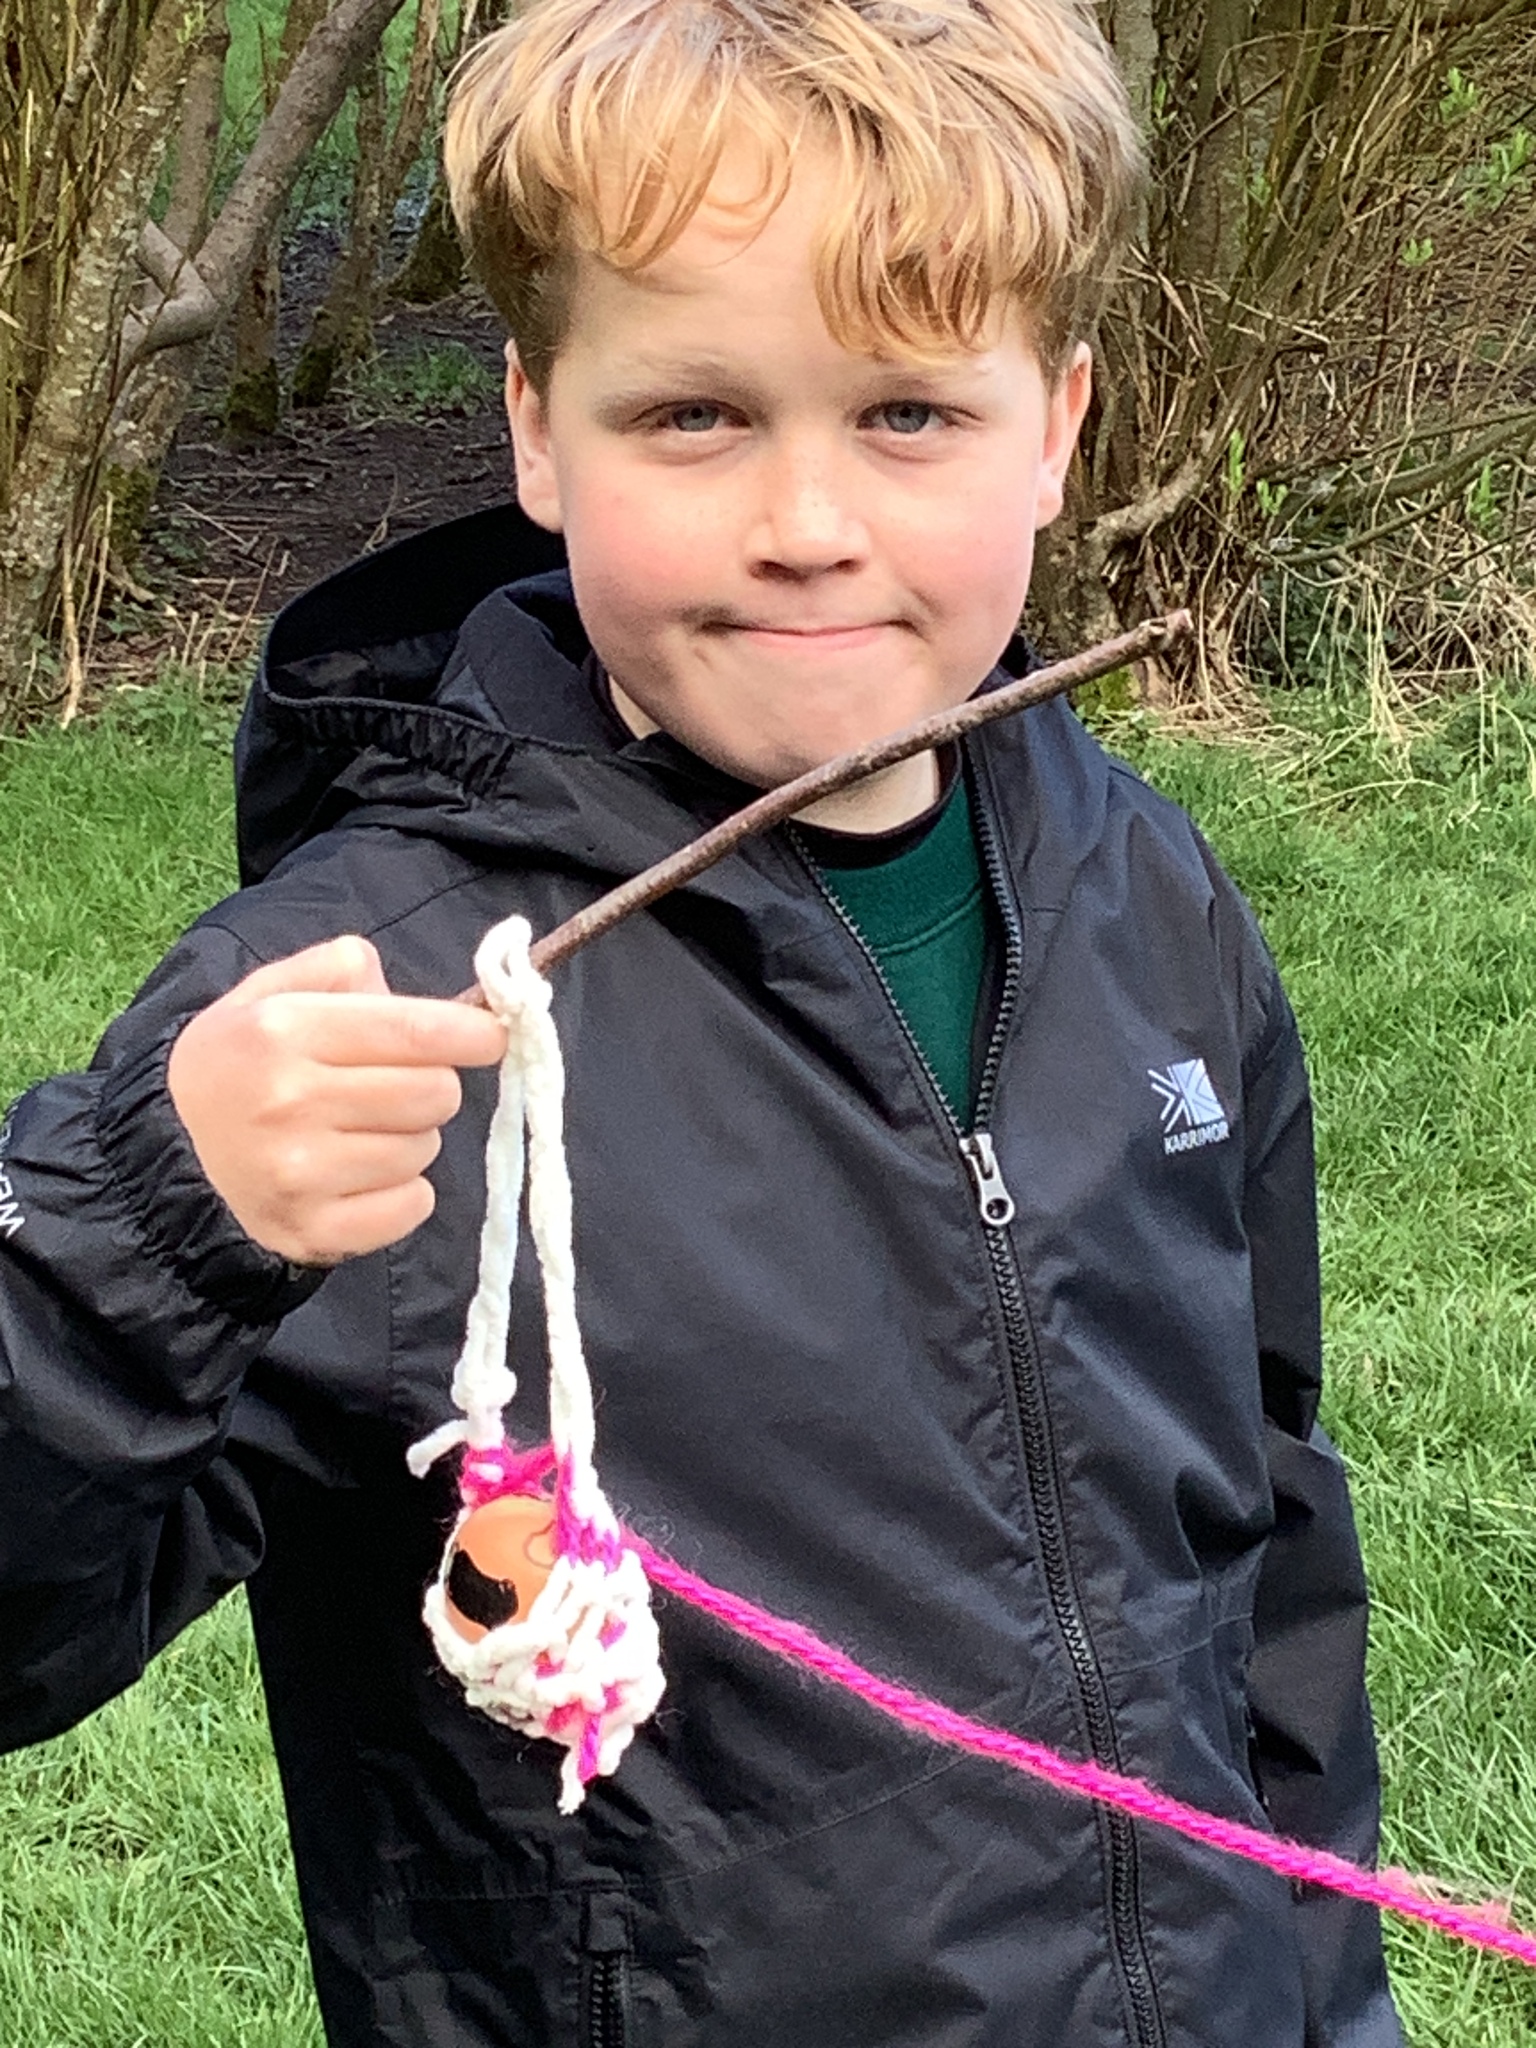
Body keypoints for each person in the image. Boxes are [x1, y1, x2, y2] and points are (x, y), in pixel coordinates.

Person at [0, 2, 1404, 2043]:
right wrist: (139, 1232)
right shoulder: (367, 1014)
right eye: (694, 416)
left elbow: (1265, 1532)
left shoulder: (1153, 903)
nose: (808, 522)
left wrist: (1324, 2001)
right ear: (535, 431)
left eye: (908, 412)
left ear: (1058, 423)